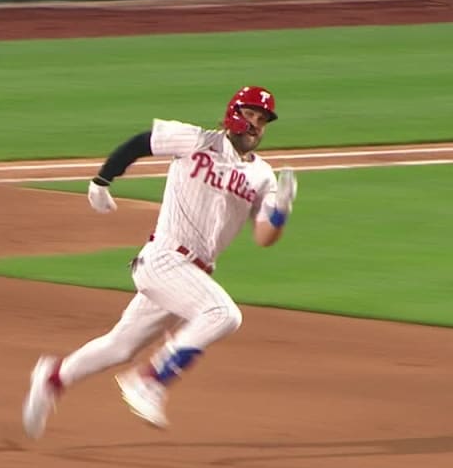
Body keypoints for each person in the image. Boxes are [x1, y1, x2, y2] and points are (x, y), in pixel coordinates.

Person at [22, 85, 298, 438]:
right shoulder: (196, 140)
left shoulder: (261, 176)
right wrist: (103, 179)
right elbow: (141, 142)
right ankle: (151, 380)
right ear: (233, 113)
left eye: (262, 119)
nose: (256, 124)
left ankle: (53, 377)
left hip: (190, 275)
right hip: (164, 258)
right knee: (222, 314)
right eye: (250, 114)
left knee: (120, 346)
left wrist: (281, 213)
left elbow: (263, 238)